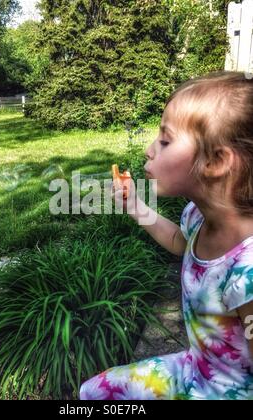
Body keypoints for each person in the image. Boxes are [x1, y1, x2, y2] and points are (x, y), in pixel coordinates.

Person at [79, 71, 253, 400]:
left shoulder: (248, 271)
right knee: (92, 393)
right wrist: (136, 207)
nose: (149, 149)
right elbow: (180, 243)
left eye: (165, 140)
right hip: (197, 368)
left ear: (215, 161)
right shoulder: (198, 216)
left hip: (226, 393)